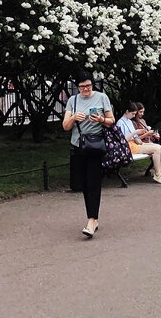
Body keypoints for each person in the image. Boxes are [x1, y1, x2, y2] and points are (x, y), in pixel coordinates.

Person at [63, 71, 114, 238]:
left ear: (93, 85)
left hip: (95, 145)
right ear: (77, 87)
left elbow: (111, 120)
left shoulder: (101, 98)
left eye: (88, 86)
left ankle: (92, 220)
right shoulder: (73, 100)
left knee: (93, 182)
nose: (85, 89)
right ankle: (93, 218)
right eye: (82, 87)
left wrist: (100, 120)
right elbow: (65, 126)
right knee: (83, 184)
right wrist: (74, 118)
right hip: (78, 145)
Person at [116, 103, 161, 184]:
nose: (134, 116)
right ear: (127, 111)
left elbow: (135, 137)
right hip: (128, 146)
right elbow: (123, 140)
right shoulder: (120, 123)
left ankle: (158, 173)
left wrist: (141, 134)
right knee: (156, 149)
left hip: (135, 143)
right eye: (133, 113)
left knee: (158, 147)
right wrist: (135, 132)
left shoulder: (129, 121)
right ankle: (158, 174)